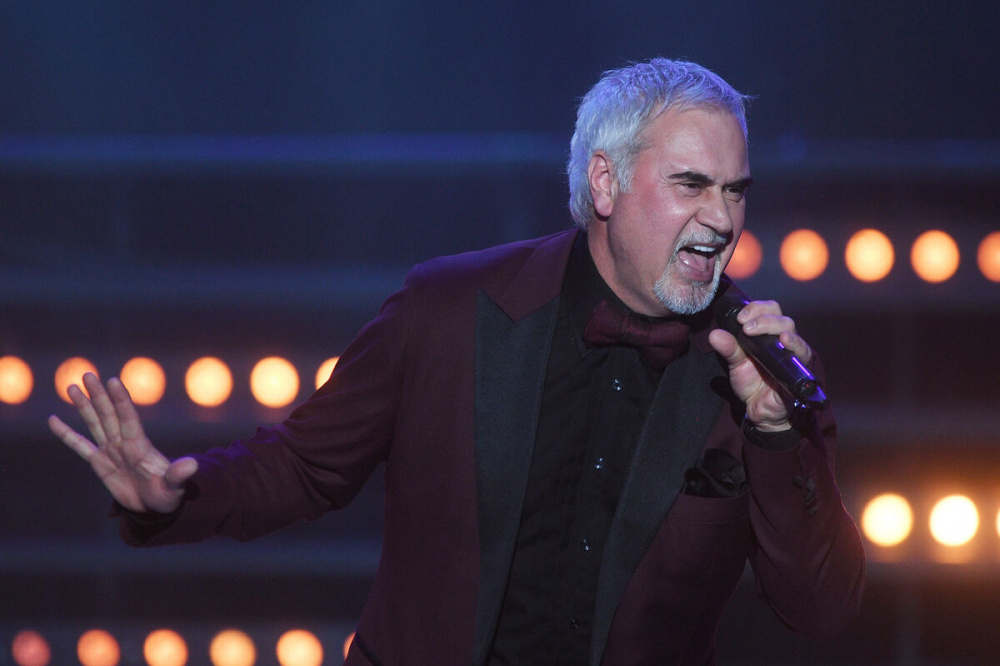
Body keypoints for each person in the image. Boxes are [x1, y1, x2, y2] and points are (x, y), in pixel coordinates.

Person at [49, 58, 865, 665]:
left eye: (735, 189)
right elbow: (303, 465)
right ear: (605, 183)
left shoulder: (765, 374)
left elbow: (822, 608)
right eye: (692, 184)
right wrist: (179, 494)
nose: (722, 219)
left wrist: (773, 435)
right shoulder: (448, 311)